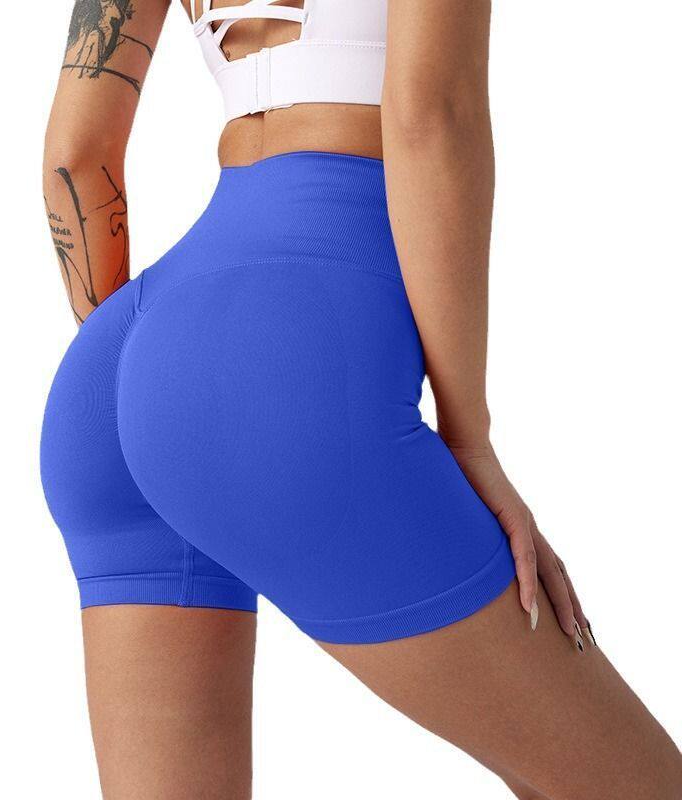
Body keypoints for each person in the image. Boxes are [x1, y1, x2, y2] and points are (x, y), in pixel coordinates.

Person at [40, 2, 682, 797]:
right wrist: (468, 437)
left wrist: (159, 393)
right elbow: (430, 115)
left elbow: (76, 155)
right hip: (291, 341)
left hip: (115, 361)